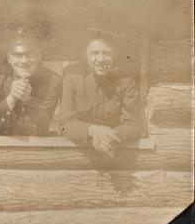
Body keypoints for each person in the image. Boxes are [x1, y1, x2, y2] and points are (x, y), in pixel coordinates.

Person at [57, 28, 142, 157]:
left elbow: (134, 124)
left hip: (114, 151)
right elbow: (64, 125)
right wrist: (93, 131)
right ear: (84, 55)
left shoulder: (126, 80)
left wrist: (109, 137)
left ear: (115, 55)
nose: (101, 59)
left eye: (106, 53)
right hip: (79, 155)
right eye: (95, 53)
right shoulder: (72, 76)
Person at [0, 24, 62, 136]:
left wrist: (28, 100)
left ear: (38, 55)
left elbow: (42, 127)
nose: (24, 61)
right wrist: (12, 98)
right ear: (9, 58)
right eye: (18, 55)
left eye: (29, 54)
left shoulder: (53, 81)